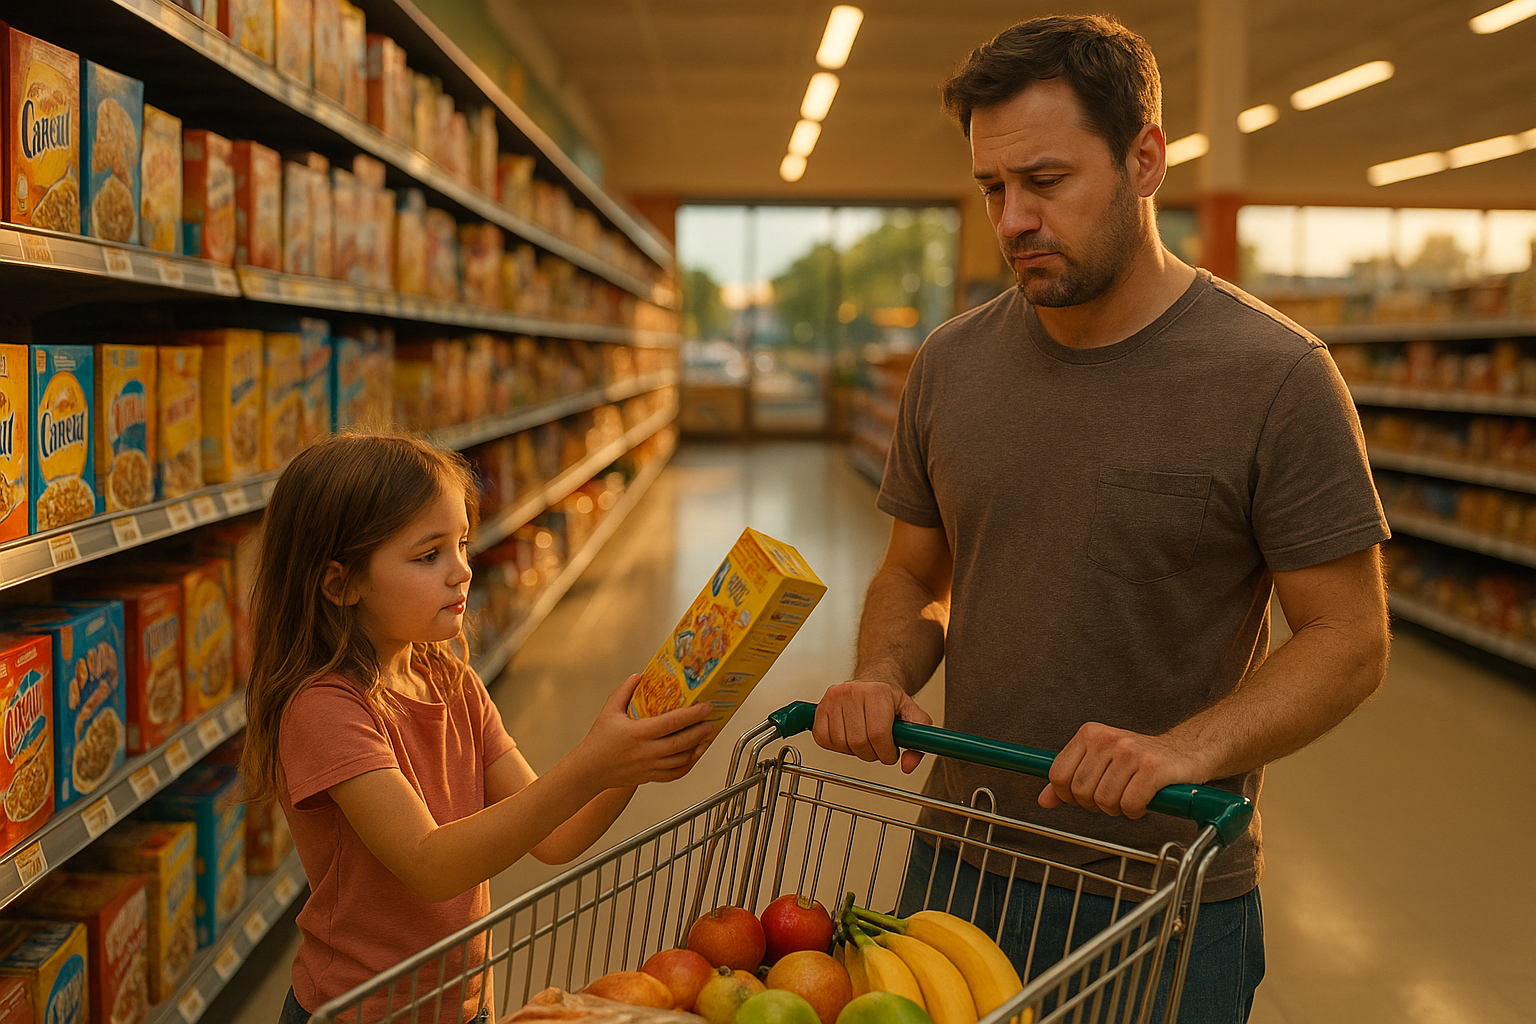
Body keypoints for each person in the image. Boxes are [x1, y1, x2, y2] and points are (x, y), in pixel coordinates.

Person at [812, 14, 1390, 1022]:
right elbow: (915, 574)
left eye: (1046, 180)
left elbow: (1349, 636)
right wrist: (880, 672)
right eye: (994, 189)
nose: (1014, 219)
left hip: (1164, 892)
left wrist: (1186, 750)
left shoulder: (1277, 377)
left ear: (1147, 159)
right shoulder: (950, 366)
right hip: (958, 869)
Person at [240, 433, 715, 1024]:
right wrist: (594, 762)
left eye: (461, 543)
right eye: (428, 554)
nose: (461, 570)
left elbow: (556, 836)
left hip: (464, 1005)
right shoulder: (325, 708)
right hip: (361, 1012)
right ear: (341, 584)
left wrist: (633, 761)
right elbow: (430, 864)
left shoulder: (454, 684)